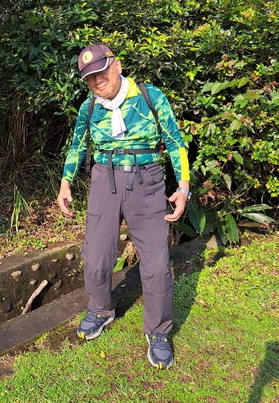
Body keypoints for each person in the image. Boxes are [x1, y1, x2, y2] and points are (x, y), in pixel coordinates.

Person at [57, 43, 191, 369]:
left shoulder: (149, 96)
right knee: (96, 256)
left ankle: (158, 331)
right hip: (104, 179)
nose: (97, 81)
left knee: (157, 263)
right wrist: (65, 182)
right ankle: (101, 310)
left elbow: (174, 140)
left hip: (147, 181)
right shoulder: (90, 108)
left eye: (101, 72)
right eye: (89, 78)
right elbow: (77, 146)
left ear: (116, 65)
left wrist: (183, 186)